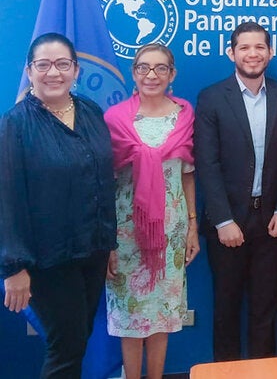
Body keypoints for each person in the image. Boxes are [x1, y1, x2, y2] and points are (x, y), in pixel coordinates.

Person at [0, 33, 117, 378]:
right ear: (30, 71)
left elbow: (104, 180)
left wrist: (108, 243)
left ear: (76, 70)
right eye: (44, 64)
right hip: (47, 258)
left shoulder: (92, 112)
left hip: (92, 250)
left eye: (63, 64)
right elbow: (7, 199)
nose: (54, 72)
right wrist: (13, 267)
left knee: (78, 339)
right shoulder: (16, 124)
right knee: (65, 346)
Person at [194, 22, 277, 360]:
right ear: (231, 53)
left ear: (271, 52)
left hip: (272, 222)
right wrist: (223, 220)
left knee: (265, 311)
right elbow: (206, 165)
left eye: (259, 47)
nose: (252, 54)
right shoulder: (211, 98)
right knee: (225, 309)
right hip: (227, 223)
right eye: (244, 47)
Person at [104, 44, 197, 379]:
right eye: (143, 68)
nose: (151, 75)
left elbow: (187, 177)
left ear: (172, 74)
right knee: (131, 317)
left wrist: (192, 227)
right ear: (134, 73)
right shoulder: (115, 119)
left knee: (161, 315)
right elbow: (105, 185)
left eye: (160, 68)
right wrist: (107, 241)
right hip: (125, 233)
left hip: (170, 232)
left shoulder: (185, 116)